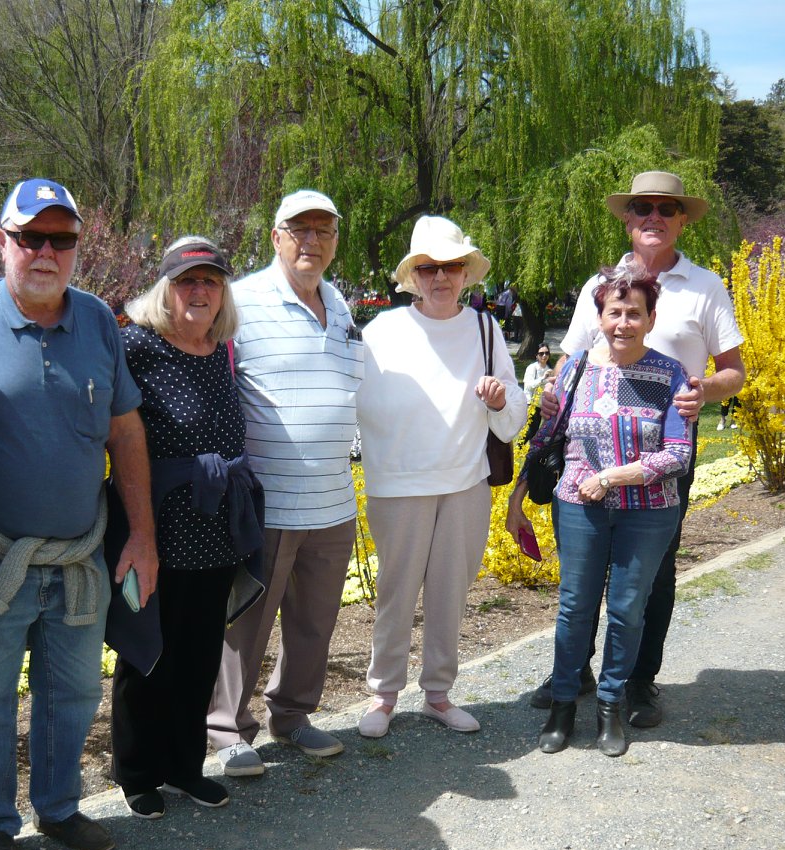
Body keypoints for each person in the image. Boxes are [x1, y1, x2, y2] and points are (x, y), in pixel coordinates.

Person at [0, 179, 157, 850]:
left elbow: (125, 431)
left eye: (61, 239)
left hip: (78, 560)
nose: (46, 252)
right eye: (31, 237)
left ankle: (59, 809)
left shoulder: (97, 322)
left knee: (74, 696)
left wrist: (142, 536)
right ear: (1, 241)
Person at [530, 171, 745, 726]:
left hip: (662, 451)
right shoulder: (600, 285)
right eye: (643, 207)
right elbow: (572, 357)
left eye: (666, 209)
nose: (654, 216)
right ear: (628, 218)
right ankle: (575, 673)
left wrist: (703, 391)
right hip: (588, 457)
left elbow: (734, 371)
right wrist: (554, 393)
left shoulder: (705, 286)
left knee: (651, 576)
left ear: (681, 220)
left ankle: (638, 682)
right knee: (580, 581)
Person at [207, 189, 364, 776]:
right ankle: (228, 730)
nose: (312, 241)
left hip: (333, 501)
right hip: (265, 503)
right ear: (276, 238)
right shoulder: (241, 302)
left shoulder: (341, 306)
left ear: (335, 241)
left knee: (314, 625)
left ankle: (293, 715)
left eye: (324, 230)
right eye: (300, 230)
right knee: (247, 623)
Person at [508, 266, 691, 755]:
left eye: (635, 313)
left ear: (651, 320)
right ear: (600, 318)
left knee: (628, 610)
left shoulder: (671, 375)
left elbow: (678, 454)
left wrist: (613, 477)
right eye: (615, 312)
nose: (623, 323)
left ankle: (610, 704)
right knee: (575, 608)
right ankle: (563, 704)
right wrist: (517, 496)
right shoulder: (575, 368)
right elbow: (547, 438)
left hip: (648, 512)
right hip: (577, 508)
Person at [355, 216, 527, 738]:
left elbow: (513, 415)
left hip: (465, 481)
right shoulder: (381, 332)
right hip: (399, 484)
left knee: (450, 593)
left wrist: (499, 400)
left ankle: (438, 694)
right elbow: (355, 405)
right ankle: (384, 694)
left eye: (450, 267)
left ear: (466, 273)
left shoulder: (485, 329)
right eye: (428, 268)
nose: (440, 277)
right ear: (413, 276)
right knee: (396, 593)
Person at [109, 237, 263, 818]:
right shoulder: (136, 346)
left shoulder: (221, 349)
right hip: (155, 526)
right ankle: (137, 773)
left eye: (211, 281)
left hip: (217, 525)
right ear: (165, 289)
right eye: (187, 281)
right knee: (148, 648)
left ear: (223, 293)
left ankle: (184, 767)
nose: (200, 291)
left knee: (199, 654)